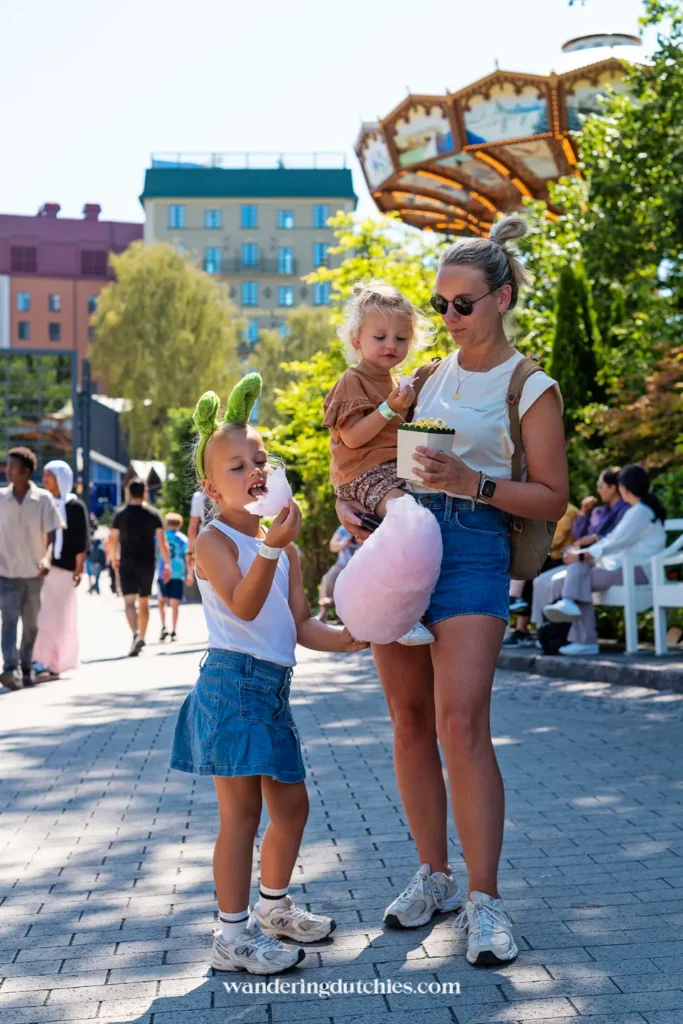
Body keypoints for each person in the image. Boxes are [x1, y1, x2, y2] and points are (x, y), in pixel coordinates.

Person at [336, 215, 568, 966]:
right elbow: (372, 451)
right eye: (439, 304)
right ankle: (432, 876)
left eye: (461, 303)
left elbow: (552, 497)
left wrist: (472, 481)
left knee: (460, 723)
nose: (446, 318)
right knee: (406, 722)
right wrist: (355, 505)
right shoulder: (427, 375)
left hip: (472, 546)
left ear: (500, 298)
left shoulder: (529, 384)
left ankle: (484, 899)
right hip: (403, 542)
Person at [169, 375, 367, 975]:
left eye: (259, 459)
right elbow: (244, 606)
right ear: (209, 486)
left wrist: (349, 637)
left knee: (294, 808)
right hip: (231, 688)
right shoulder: (213, 541)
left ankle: (274, 907)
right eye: (235, 466)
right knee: (242, 817)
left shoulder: (284, 548)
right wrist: (273, 548)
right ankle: (231, 935)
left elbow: (299, 622)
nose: (254, 469)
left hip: (271, 693)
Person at [323, 281, 435, 646]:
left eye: (401, 339)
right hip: (365, 472)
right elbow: (353, 437)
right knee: (409, 521)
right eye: (380, 336)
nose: (391, 345)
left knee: (409, 531)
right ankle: (401, 613)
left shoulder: (394, 381)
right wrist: (391, 407)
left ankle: (392, 603)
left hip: (389, 471)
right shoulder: (352, 380)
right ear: (356, 340)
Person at [538, 464, 666, 656]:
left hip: (637, 571)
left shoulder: (639, 512)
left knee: (577, 576)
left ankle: (583, 635)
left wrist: (581, 554)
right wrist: (584, 555)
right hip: (629, 569)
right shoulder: (641, 510)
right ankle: (576, 622)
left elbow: (613, 542)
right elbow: (613, 542)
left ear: (623, 488)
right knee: (579, 573)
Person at [0, 447, 64, 691]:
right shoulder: (1, 498)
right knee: (8, 620)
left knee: (30, 624)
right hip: (5, 572)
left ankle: (26, 667)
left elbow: (51, 533)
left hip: (34, 573)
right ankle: (9, 667)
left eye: (12, 467)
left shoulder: (43, 499)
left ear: (26, 472)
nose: (8, 471)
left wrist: (47, 558)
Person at [32, 461, 89, 682]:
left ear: (61, 479)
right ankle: (39, 660)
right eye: (44, 475)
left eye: (49, 475)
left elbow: (81, 540)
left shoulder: (75, 506)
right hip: (42, 568)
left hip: (65, 570)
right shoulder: (41, 503)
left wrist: (79, 567)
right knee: (41, 615)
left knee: (60, 617)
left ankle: (57, 662)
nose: (45, 479)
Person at [503, 502, 579, 647]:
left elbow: (554, 540)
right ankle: (520, 624)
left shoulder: (567, 512)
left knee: (529, 569)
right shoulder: (542, 509)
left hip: (559, 559)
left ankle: (516, 603)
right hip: (544, 558)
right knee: (524, 566)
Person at [110, 480, 171, 657]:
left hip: (127, 562)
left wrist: (114, 558)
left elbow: (113, 539)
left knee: (129, 602)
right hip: (147, 562)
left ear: (129, 493)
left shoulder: (120, 515)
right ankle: (141, 637)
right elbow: (162, 542)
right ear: (145, 492)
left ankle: (136, 635)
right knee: (144, 601)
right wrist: (167, 564)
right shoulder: (154, 514)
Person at [571, 467, 629, 547]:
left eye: (601, 486)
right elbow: (578, 535)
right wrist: (584, 511)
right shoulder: (599, 512)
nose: (598, 490)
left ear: (612, 488)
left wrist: (595, 539)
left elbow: (620, 539)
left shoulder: (626, 511)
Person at [317, 526, 359, 621]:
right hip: (342, 565)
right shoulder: (343, 528)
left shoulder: (370, 524)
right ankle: (323, 613)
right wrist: (345, 543)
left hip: (362, 566)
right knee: (327, 578)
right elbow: (332, 546)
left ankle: (348, 617)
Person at [158, 512, 188, 641]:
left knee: (162, 601)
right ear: (179, 524)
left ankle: (163, 626)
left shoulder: (161, 537)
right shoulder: (183, 538)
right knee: (175, 604)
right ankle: (174, 630)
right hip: (178, 573)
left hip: (162, 572)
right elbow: (187, 556)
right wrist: (190, 573)